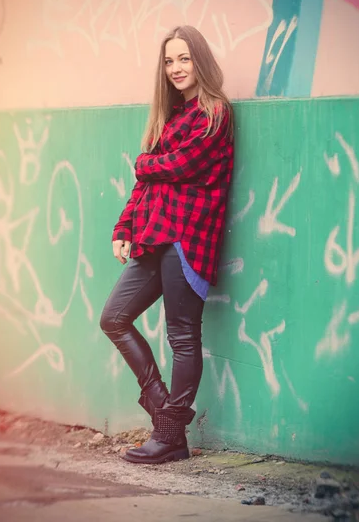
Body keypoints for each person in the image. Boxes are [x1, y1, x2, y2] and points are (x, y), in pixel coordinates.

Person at [100, 25, 234, 465]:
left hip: (189, 239)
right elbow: (146, 186)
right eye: (169, 60)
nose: (176, 68)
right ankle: (166, 416)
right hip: (154, 237)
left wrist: (144, 162)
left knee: (182, 336)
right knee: (114, 318)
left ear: (200, 61)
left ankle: (171, 436)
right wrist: (124, 227)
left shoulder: (215, 113)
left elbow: (182, 165)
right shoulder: (170, 117)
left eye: (184, 59)